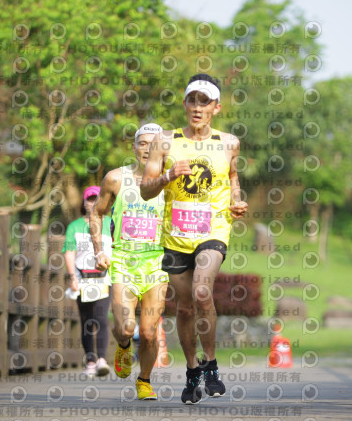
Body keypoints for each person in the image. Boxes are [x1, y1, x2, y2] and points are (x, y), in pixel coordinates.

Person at [140, 74, 248, 404]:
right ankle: (192, 370)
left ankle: (211, 364)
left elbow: (232, 175)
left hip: (213, 230)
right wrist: (169, 175)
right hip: (175, 236)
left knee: (202, 291)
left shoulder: (229, 142)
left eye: (205, 101)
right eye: (192, 100)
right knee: (185, 308)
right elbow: (146, 190)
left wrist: (236, 200)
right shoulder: (164, 141)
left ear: (217, 107)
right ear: (185, 104)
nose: (197, 107)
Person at [90, 123, 169, 401]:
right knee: (126, 327)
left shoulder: (171, 181)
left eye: (154, 144)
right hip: (123, 261)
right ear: (134, 147)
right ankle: (123, 345)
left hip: (157, 263)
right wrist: (99, 250)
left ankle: (144, 381)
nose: (147, 149)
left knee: (148, 332)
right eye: (142, 143)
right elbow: (97, 213)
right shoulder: (115, 178)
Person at [62, 186, 112, 378]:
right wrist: (72, 277)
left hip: (104, 278)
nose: (93, 203)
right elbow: (69, 252)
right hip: (83, 278)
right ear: (84, 202)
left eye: (97, 199)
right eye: (90, 199)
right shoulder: (74, 226)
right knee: (87, 320)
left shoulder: (110, 223)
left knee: (101, 317)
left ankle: (102, 360)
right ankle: (90, 360)